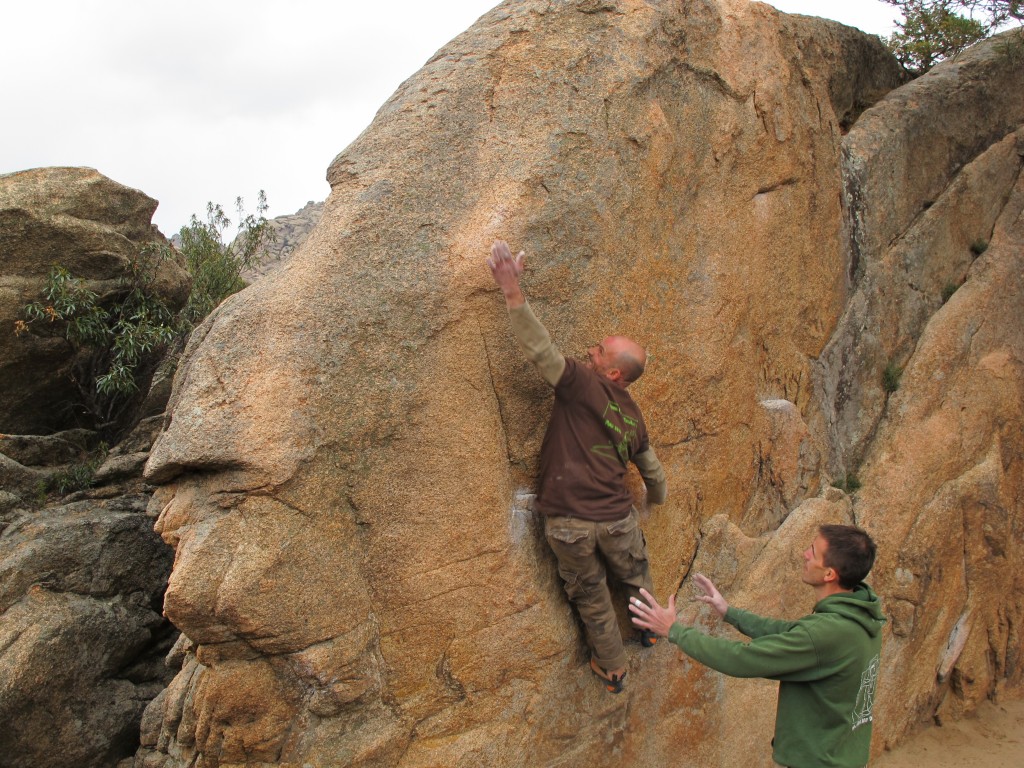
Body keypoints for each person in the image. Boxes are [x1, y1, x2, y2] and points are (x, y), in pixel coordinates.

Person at [487, 239, 668, 694]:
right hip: (618, 521)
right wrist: (656, 504)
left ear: (612, 374)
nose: (591, 349)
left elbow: (541, 350)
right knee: (634, 577)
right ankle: (649, 629)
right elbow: (654, 474)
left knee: (591, 597)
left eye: (601, 349)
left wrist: (512, 291)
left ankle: (613, 667)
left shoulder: (581, 384)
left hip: (570, 522)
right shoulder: (634, 417)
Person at [630, 524, 884, 768]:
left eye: (814, 552)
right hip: (844, 756)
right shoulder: (860, 616)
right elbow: (790, 633)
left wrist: (674, 630)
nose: (805, 554)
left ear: (830, 574)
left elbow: (741, 659)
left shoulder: (826, 633)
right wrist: (729, 612)